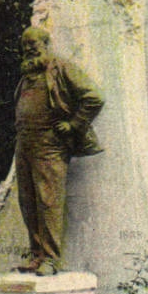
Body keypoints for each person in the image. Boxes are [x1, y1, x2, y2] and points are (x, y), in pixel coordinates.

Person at [14, 26, 105, 275]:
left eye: (34, 43)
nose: (29, 48)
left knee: (49, 201)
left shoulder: (60, 68)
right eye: (25, 45)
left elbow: (94, 97)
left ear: (46, 43)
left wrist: (73, 124)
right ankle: (36, 255)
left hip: (50, 145)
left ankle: (51, 260)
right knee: (27, 201)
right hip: (24, 144)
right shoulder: (28, 75)